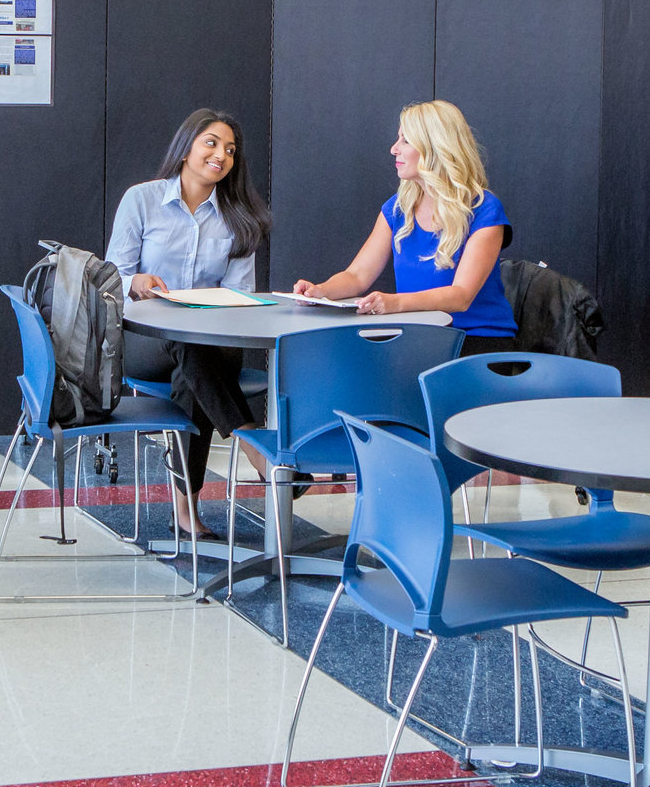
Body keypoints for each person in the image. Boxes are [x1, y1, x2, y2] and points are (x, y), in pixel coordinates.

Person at [107, 108, 272, 537]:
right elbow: (111, 277)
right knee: (188, 351)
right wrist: (135, 282)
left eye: (230, 150)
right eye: (211, 143)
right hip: (145, 344)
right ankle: (256, 447)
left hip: (212, 345)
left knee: (193, 363)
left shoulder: (239, 217)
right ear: (186, 149)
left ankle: (186, 512)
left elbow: (240, 296)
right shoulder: (141, 200)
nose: (221, 155)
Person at [293, 98, 518, 353]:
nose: (394, 149)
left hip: (475, 340)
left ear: (435, 147)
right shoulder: (397, 208)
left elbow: (461, 296)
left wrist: (394, 303)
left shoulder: (484, 209)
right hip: (418, 337)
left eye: (406, 140)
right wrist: (320, 291)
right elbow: (357, 276)